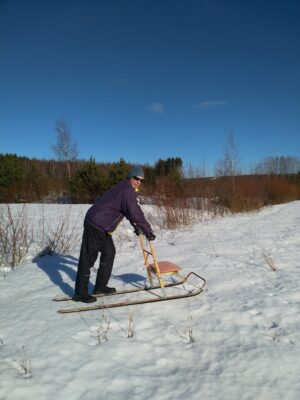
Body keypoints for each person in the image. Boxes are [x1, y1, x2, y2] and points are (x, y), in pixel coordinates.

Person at [72, 165, 156, 303]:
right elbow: (136, 213)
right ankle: (80, 293)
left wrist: (136, 226)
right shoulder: (128, 190)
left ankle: (100, 286)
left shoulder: (124, 188)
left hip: (103, 228)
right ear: (131, 177)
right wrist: (148, 231)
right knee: (87, 258)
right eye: (136, 178)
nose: (139, 182)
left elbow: (128, 211)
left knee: (109, 252)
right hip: (96, 225)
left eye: (141, 180)